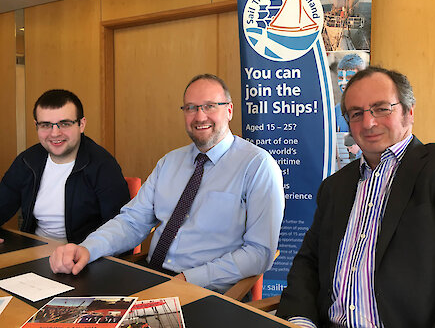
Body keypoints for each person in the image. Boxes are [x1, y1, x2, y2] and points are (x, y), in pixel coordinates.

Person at [277, 66, 435, 327]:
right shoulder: (334, 187)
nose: (368, 123)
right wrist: (300, 320)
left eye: (382, 109)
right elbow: (309, 263)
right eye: (356, 114)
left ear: (409, 112)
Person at [49, 74, 285, 292]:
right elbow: (132, 221)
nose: (200, 116)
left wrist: (189, 279)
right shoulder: (169, 163)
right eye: (191, 108)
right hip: (152, 278)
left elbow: (259, 252)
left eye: (210, 106)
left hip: (206, 290)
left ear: (230, 110)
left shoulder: (257, 166)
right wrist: (88, 248)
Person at [0, 89, 130, 244]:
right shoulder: (27, 160)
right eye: (46, 125)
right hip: (34, 251)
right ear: (36, 126)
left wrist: (84, 252)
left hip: (84, 256)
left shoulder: (103, 165)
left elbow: (120, 229)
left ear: (81, 124)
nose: (55, 133)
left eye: (65, 124)